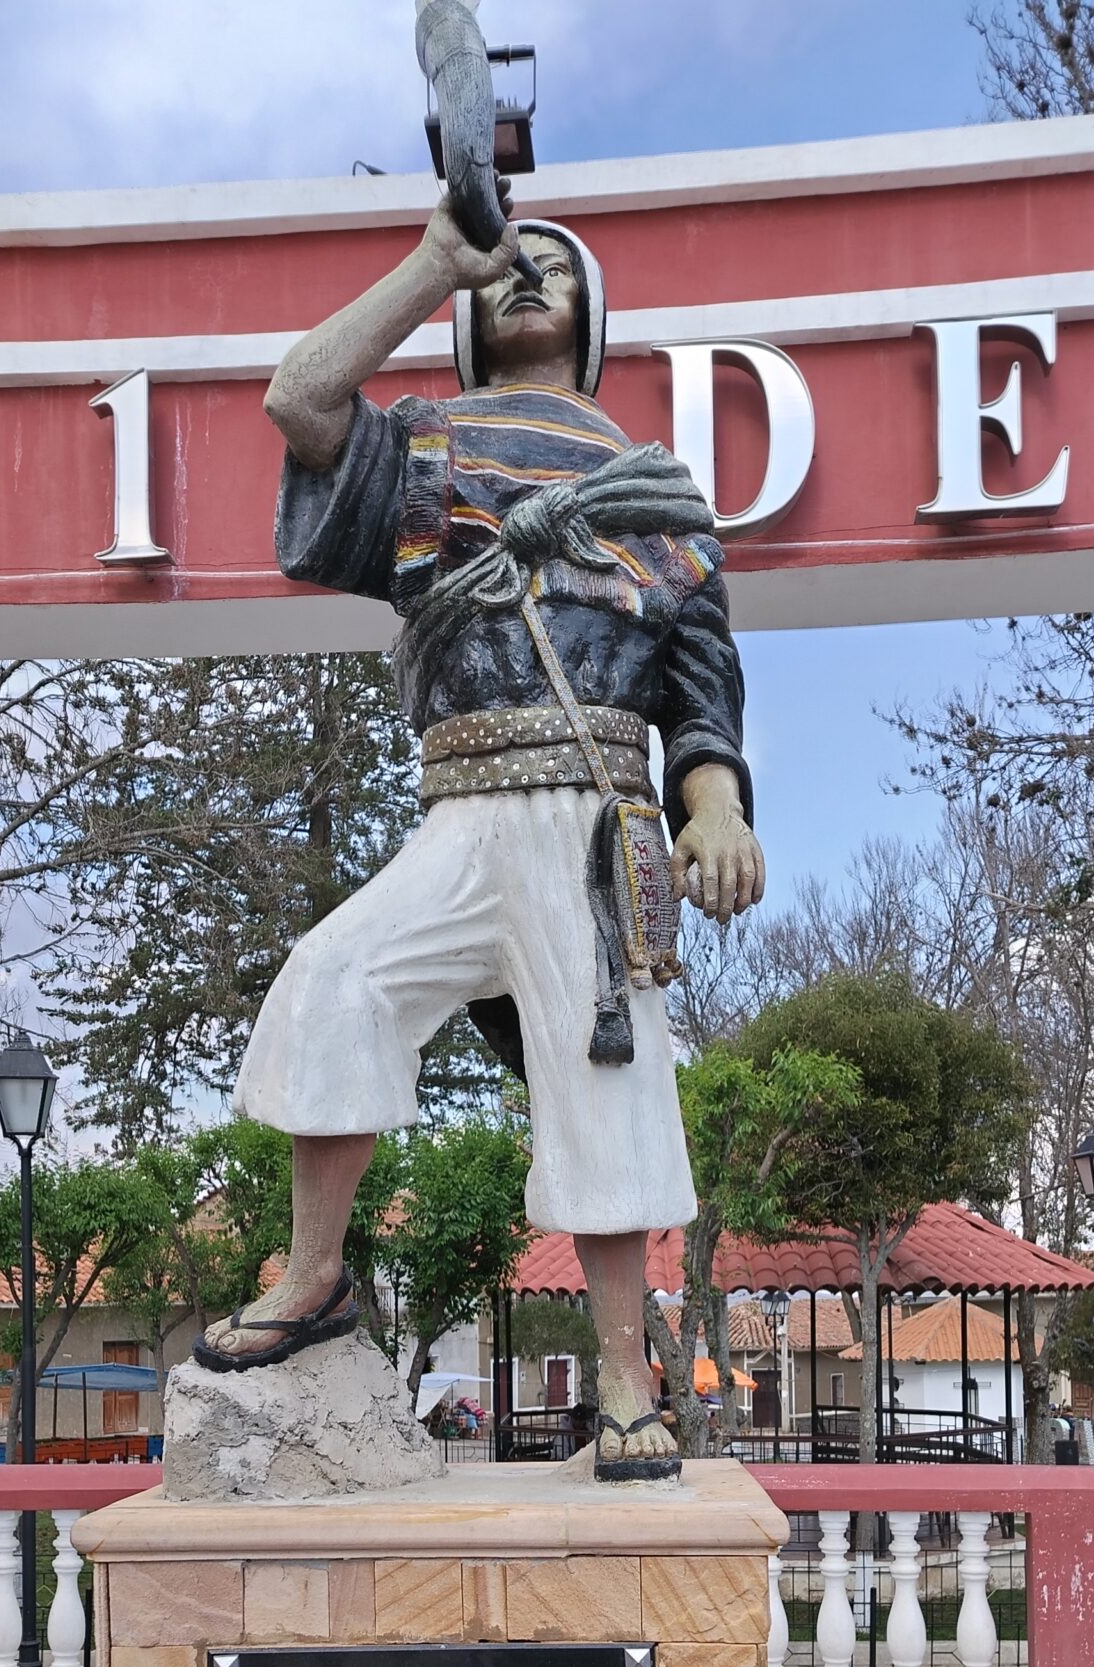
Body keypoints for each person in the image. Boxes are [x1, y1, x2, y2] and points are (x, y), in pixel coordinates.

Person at [194, 194, 765, 1481]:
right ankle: (319, 1271)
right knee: (335, 984)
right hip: (459, 810)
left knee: (604, 1075)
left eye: (551, 268)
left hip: (588, 817)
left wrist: (715, 805)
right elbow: (298, 400)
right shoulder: (428, 450)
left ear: (593, 317)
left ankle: (624, 1372)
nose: (527, 278)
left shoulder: (656, 493)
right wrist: (432, 261)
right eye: (506, 268)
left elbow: (701, 682)